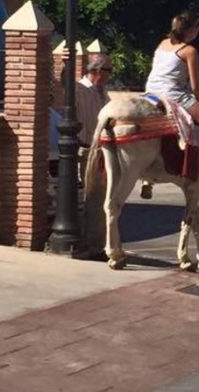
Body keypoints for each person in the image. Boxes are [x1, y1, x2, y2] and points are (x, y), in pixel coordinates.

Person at [144, 11, 199, 190]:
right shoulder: (189, 51)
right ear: (193, 30)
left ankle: (147, 177)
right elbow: (196, 86)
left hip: (151, 92)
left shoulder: (162, 43)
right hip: (173, 94)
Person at [76, 54, 112, 258]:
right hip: (85, 149)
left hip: (99, 150)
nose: (110, 76)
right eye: (108, 71)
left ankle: (98, 244)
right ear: (97, 71)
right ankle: (91, 245)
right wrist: (66, 65)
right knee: (91, 199)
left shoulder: (102, 93)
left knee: (100, 199)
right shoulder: (81, 90)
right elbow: (63, 87)